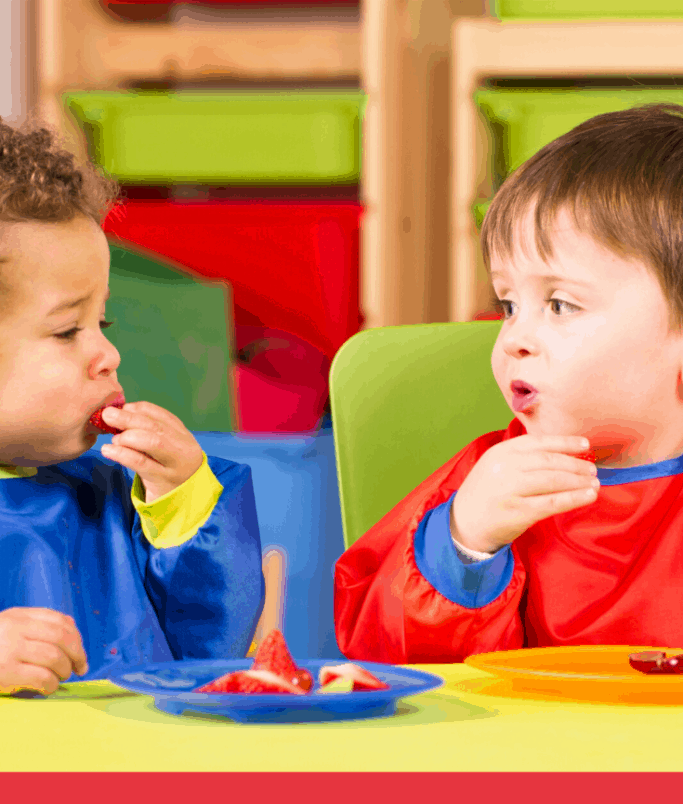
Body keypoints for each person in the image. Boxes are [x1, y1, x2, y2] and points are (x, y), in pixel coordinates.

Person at [335, 103, 683, 663]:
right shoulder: (484, 480)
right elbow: (382, 654)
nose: (515, 338)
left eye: (561, 304)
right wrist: (466, 544)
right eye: (509, 305)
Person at [0, 118, 264, 695]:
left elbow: (209, 649)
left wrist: (185, 503)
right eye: (69, 330)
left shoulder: (114, 493)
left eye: (104, 321)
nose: (109, 354)